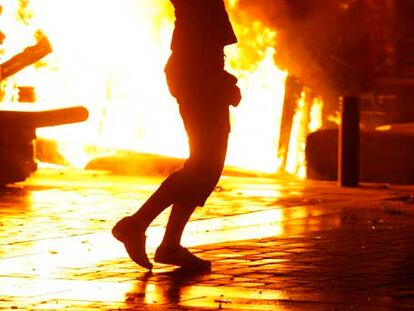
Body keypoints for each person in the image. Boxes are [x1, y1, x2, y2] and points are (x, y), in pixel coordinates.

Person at [112, 0, 241, 271]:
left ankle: (168, 243)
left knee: (203, 166)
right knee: (203, 164)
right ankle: (136, 225)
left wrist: (222, 79)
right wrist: (221, 82)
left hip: (198, 73)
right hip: (199, 77)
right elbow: (199, 44)